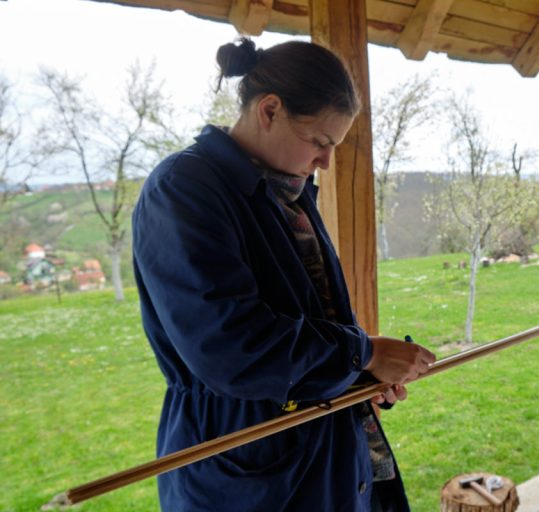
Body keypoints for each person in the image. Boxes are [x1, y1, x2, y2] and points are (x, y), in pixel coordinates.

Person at [132, 37, 436, 512]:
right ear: (270, 110)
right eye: (319, 142)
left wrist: (358, 376)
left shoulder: (285, 188)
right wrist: (363, 352)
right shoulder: (183, 190)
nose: (325, 161)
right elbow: (233, 347)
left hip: (320, 449)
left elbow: (312, 317)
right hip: (242, 458)